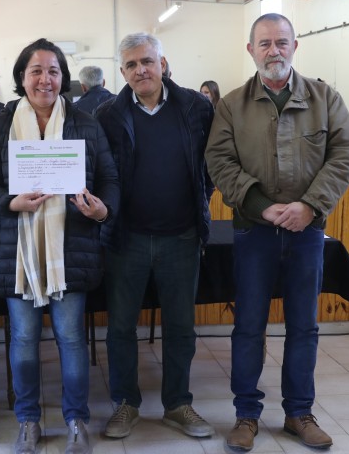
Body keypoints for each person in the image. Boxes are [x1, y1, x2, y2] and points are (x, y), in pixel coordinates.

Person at [205, 13, 349, 451]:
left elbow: (345, 152)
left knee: (304, 327)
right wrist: (260, 206)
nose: (274, 50)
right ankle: (246, 415)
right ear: (251, 50)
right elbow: (219, 161)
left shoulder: (324, 98)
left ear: (295, 46)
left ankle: (299, 413)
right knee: (248, 326)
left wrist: (309, 206)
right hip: (254, 232)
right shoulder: (231, 105)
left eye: (281, 42)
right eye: (265, 43)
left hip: (307, 231)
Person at [0, 38, 120, 454]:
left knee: (71, 339)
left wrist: (102, 210)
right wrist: (9, 202)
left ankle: (76, 421)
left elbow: (109, 178)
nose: (45, 79)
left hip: (71, 249)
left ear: (63, 78)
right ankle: (28, 421)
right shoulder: (0, 125)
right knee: (23, 340)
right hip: (17, 253)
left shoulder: (85, 123)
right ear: (22, 77)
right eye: (36, 71)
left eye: (53, 71)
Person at [95, 32, 215, 441]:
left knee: (180, 328)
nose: (140, 70)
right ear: (122, 72)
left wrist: (198, 203)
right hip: (126, 240)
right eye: (131, 65)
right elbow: (102, 172)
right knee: (120, 329)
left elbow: (210, 167)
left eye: (147, 61)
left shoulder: (196, 107)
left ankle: (178, 404)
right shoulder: (108, 115)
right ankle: (125, 403)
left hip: (181, 238)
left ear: (162, 64)